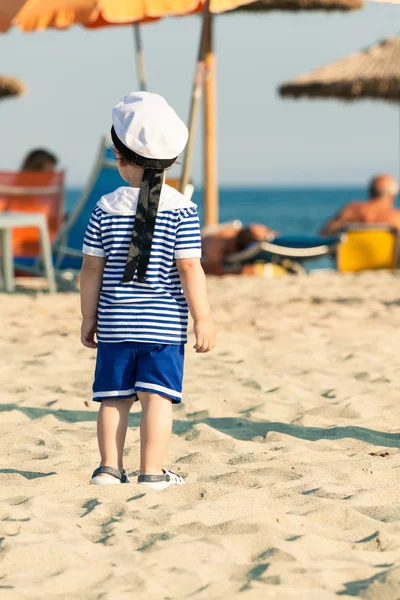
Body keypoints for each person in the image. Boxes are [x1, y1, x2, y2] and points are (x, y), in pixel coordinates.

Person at [80, 92, 216, 489]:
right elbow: (190, 267)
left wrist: (89, 316)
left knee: (113, 398)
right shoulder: (183, 209)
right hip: (163, 328)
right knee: (158, 398)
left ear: (120, 159)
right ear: (172, 161)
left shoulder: (104, 207)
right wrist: (202, 317)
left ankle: (107, 468)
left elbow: (91, 268)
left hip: (116, 323)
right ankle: (151, 473)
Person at [320, 174, 400, 236]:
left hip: (351, 257)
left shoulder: (351, 210)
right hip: (386, 257)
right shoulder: (396, 217)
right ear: (393, 196)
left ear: (370, 192)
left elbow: (323, 234)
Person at [202, 222, 276, 275]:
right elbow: (209, 267)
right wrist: (237, 271)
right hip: (206, 240)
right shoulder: (219, 240)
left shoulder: (235, 231)